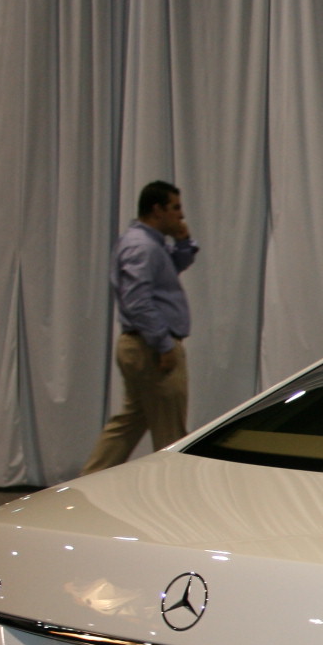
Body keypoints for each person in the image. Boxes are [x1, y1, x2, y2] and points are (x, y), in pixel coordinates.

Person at [82, 181, 198, 473]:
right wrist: (163, 344)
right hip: (150, 347)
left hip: (142, 345)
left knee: (131, 421)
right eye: (175, 208)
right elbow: (138, 301)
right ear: (156, 210)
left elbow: (167, 273)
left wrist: (184, 244)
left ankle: (89, 481)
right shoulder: (142, 246)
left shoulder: (147, 243)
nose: (180, 216)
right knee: (170, 431)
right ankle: (173, 499)